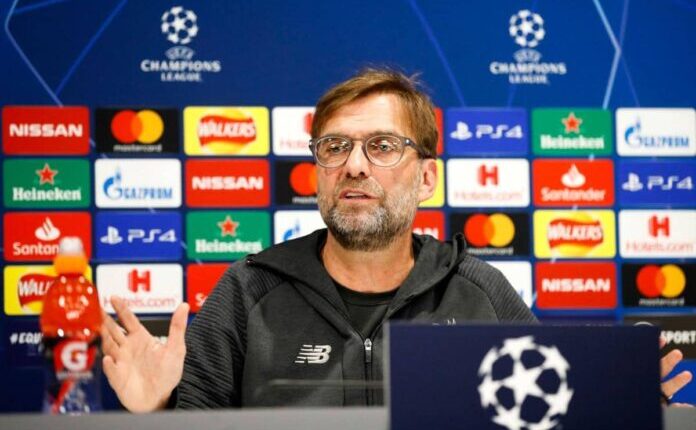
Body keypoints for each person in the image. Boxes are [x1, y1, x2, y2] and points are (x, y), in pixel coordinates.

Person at [101, 68, 693, 411]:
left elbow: (542, 418)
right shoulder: (246, 292)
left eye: (382, 146)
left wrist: (619, 416)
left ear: (427, 178)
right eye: (335, 147)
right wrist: (157, 414)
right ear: (317, 171)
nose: (354, 165)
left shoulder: (482, 293)